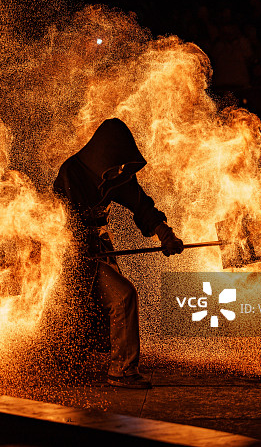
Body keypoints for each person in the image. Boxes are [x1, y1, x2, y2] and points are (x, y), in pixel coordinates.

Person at [53, 118, 184, 389]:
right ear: (104, 154)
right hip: (68, 253)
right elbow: (65, 222)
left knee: (114, 302)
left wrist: (166, 235)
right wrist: (78, 249)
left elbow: (141, 204)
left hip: (97, 249)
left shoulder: (115, 174)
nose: (121, 171)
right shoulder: (72, 173)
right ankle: (115, 371)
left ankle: (120, 369)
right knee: (109, 301)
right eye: (117, 163)